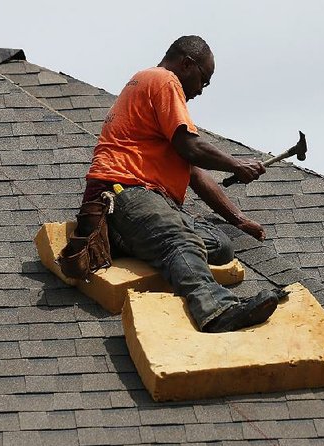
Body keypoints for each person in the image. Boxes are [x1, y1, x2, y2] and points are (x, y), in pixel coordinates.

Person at [77, 35, 284, 333]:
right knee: (182, 241)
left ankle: (136, 239)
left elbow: (195, 173)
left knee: (221, 246)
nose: (201, 90)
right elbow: (191, 147)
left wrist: (238, 220)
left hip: (141, 203)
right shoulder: (163, 81)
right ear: (187, 64)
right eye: (204, 79)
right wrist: (236, 164)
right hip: (123, 192)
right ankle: (217, 311)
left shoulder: (151, 91)